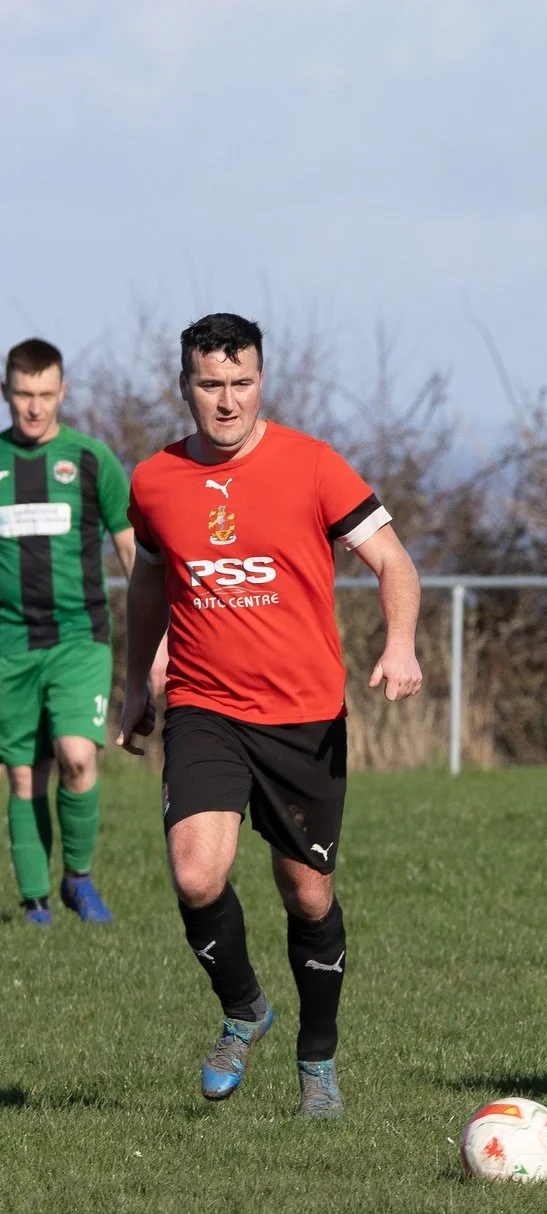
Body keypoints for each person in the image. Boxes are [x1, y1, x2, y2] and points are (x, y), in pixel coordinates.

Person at [119, 313, 424, 1118]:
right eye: (210, 384)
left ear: (263, 380)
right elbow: (148, 586)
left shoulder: (314, 466)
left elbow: (393, 560)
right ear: (185, 385)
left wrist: (400, 646)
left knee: (309, 896)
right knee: (195, 872)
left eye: (241, 382)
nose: (227, 401)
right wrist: (132, 686)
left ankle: (317, 1060)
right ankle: (245, 1008)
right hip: (204, 706)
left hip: (302, 718)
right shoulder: (152, 480)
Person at [1, 338, 136, 925]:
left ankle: (78, 881)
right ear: (7, 392)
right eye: (24, 395)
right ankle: (34, 904)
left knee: (78, 757)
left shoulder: (90, 460)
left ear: (63, 393)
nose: (35, 408)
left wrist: (160, 633)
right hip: (9, 645)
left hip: (81, 638)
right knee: (25, 772)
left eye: (46, 395)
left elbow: (131, 547)